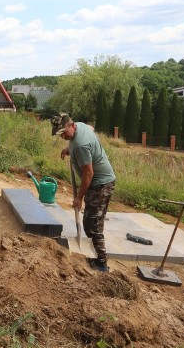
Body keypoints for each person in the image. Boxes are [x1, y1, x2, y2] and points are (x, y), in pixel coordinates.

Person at [51, 113, 116, 273]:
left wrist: (79, 198)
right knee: (89, 222)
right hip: (100, 183)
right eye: (60, 135)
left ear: (71, 125)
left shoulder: (80, 145)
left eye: (64, 133)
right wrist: (69, 149)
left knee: (93, 225)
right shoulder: (81, 126)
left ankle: (102, 263)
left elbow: (88, 174)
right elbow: (91, 128)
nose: (63, 137)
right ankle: (96, 256)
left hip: (100, 185)